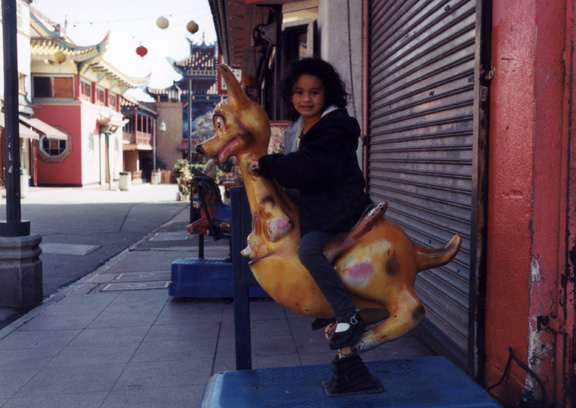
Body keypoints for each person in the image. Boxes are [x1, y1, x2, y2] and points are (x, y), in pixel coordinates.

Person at [250, 58, 373, 350]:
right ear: (290, 95)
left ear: (326, 93)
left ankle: (347, 314)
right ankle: (327, 302)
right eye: (299, 92)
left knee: (308, 249)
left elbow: (310, 166)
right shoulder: (302, 125)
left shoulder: (335, 127)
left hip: (338, 204)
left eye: (314, 92)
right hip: (319, 200)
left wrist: (269, 164)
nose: (306, 99)